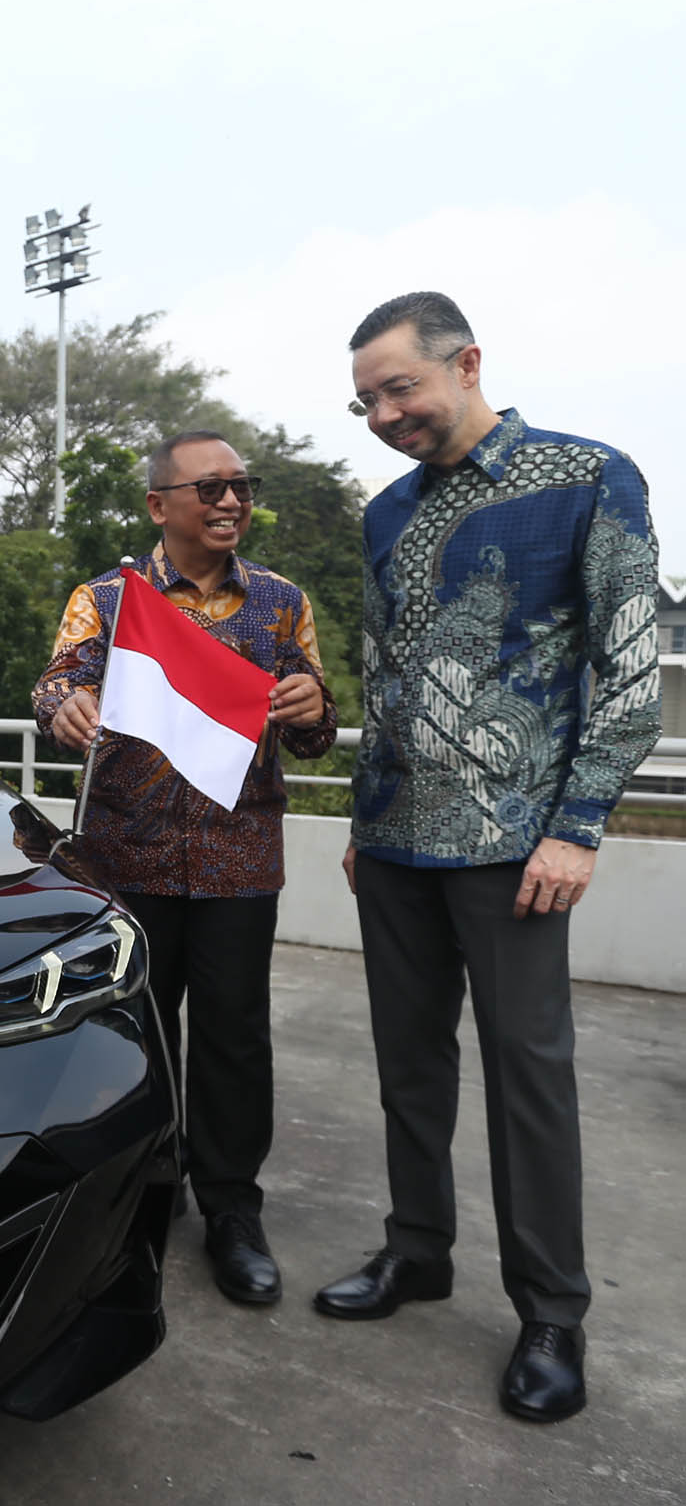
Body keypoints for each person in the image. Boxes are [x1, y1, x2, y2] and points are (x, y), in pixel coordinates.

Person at [319, 292, 662, 1423]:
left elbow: (623, 666)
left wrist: (576, 826)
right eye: (365, 398)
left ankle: (550, 1313)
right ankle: (415, 1251)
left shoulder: (584, 476)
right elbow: (387, 678)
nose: (381, 413)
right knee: (407, 1065)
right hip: (396, 842)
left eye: (398, 388)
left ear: (464, 363)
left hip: (514, 846)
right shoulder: (381, 514)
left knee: (529, 1082)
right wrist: (367, 825)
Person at [33, 431, 336, 1305]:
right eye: (209, 488)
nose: (230, 502)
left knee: (236, 1040)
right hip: (128, 856)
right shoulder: (110, 599)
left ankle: (234, 1209)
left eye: (240, 486)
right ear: (160, 504)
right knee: (138, 1033)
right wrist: (67, 704)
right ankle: (143, 1190)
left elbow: (313, 732)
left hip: (240, 858)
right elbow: (56, 681)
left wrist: (314, 704)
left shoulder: (281, 604)